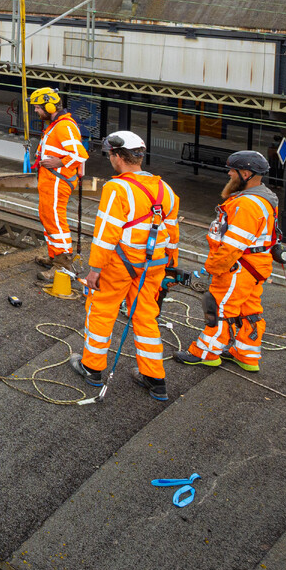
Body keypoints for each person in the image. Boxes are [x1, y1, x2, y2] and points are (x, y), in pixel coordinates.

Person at [70, 131, 180, 401]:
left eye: (110, 155)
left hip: (119, 264)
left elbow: (107, 233)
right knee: (145, 317)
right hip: (153, 265)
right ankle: (155, 379)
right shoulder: (166, 189)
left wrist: (95, 269)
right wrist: (171, 266)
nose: (110, 159)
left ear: (118, 156)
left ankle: (92, 369)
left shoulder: (117, 188)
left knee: (101, 312)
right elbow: (173, 233)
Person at [176, 151, 277, 371]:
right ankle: (246, 354)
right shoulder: (264, 199)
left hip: (238, 267)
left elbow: (232, 245)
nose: (229, 174)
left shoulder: (247, 205)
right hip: (255, 267)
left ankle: (206, 353)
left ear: (246, 173)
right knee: (250, 311)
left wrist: (211, 269)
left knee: (219, 309)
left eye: (232, 170)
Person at [29, 87, 88, 285]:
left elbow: (80, 154)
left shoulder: (64, 126)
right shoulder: (56, 125)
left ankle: (62, 265)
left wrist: (58, 163)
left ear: (50, 105)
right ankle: (55, 257)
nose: (36, 111)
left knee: (55, 220)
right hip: (51, 181)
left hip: (57, 181)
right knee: (48, 218)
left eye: (38, 107)